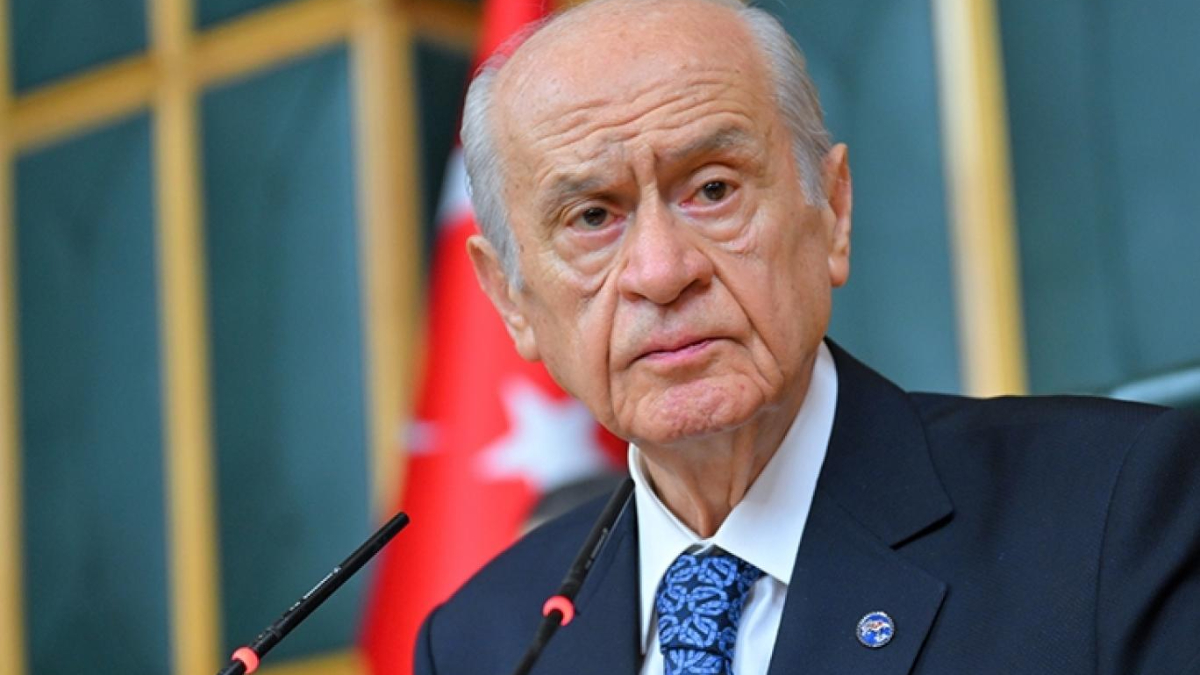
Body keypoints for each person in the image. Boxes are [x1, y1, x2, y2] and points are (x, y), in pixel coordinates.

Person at [413, 0, 1200, 673]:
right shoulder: (481, 640)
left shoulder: (1115, 514)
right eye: (592, 216)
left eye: (713, 189)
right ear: (510, 297)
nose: (661, 270)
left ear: (833, 211)